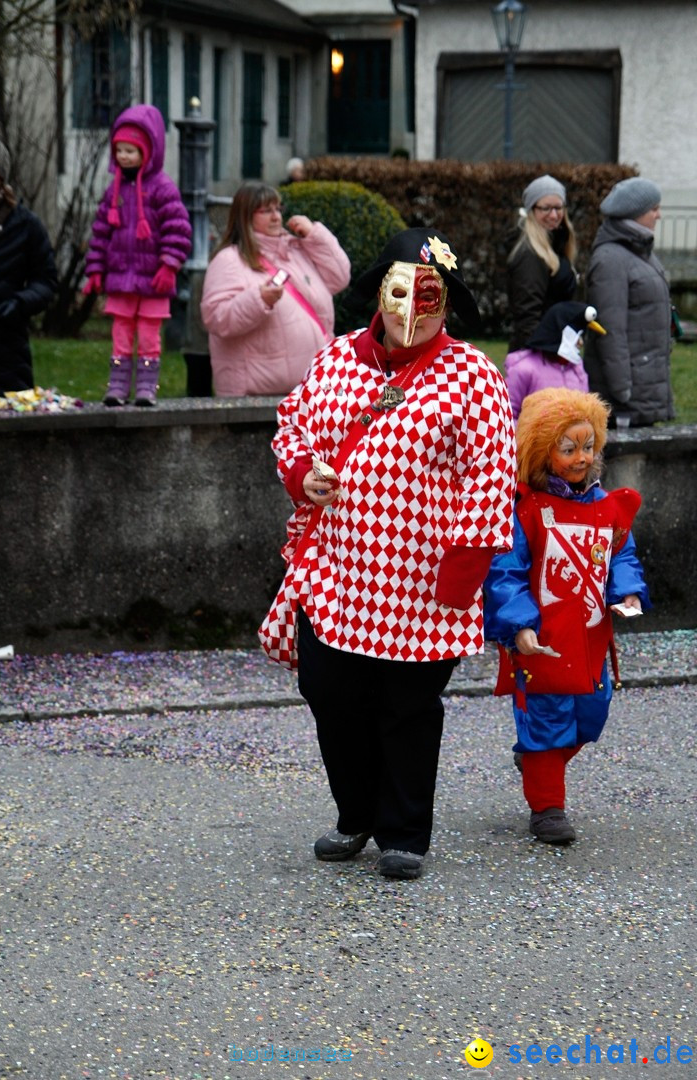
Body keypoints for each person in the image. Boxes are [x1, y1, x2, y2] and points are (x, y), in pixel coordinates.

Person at [259, 228, 516, 880]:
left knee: (405, 708)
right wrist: (303, 474)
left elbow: (491, 478)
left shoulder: (474, 379)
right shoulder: (337, 358)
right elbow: (293, 424)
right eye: (400, 291)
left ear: (446, 304)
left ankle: (403, 831)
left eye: (429, 296)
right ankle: (358, 813)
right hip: (338, 572)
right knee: (327, 688)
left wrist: (462, 576)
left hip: (423, 582)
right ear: (379, 290)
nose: (411, 309)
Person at [484, 388, 650, 845]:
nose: (582, 458)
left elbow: (621, 555)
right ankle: (547, 805)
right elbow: (506, 570)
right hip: (544, 639)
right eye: (569, 447)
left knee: (591, 714)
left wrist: (628, 591)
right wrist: (518, 623)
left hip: (593, 636)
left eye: (588, 445)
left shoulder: (605, 507)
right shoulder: (526, 510)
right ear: (543, 450)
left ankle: (542, 761)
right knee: (547, 721)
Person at [83, 104, 192, 407]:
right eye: (120, 150)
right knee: (120, 335)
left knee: (148, 337)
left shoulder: (163, 189)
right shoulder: (114, 191)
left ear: (149, 151)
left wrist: (169, 264)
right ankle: (117, 386)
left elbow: (178, 229)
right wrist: (95, 270)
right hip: (121, 279)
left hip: (154, 281)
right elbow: (101, 233)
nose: (124, 157)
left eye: (132, 150)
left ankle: (146, 387)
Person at [200, 181, 350, 396]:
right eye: (266, 211)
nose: (276, 217)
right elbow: (216, 317)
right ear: (246, 216)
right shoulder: (229, 260)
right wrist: (258, 300)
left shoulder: (296, 250)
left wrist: (315, 237)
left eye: (278, 209)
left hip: (311, 391)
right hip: (258, 397)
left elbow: (340, 277)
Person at [583, 177, 673, 427]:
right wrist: (623, 391)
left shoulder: (641, 252)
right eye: (653, 209)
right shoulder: (611, 260)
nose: (659, 215)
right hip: (626, 394)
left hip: (644, 384)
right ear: (634, 214)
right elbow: (610, 331)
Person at [0, 136, 57, 404]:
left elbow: (46, 281)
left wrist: (20, 303)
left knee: (9, 433)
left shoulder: (26, 225)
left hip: (8, 354)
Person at [506, 174, 578, 352]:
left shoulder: (557, 244)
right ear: (532, 210)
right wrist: (548, 353)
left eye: (558, 207)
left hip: (555, 348)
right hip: (539, 354)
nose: (554, 215)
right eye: (546, 208)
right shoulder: (529, 254)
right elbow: (528, 317)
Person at [504, 301, 606, 419]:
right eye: (577, 337)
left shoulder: (577, 368)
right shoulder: (524, 369)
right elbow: (507, 415)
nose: (581, 343)